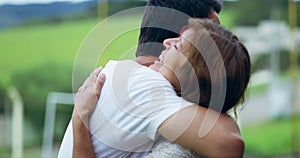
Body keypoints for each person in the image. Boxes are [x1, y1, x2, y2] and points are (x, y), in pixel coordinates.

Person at [58, 0, 246, 157]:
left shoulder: (127, 74)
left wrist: (79, 119)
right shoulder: (146, 87)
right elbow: (229, 144)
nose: (220, 40)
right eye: (211, 32)